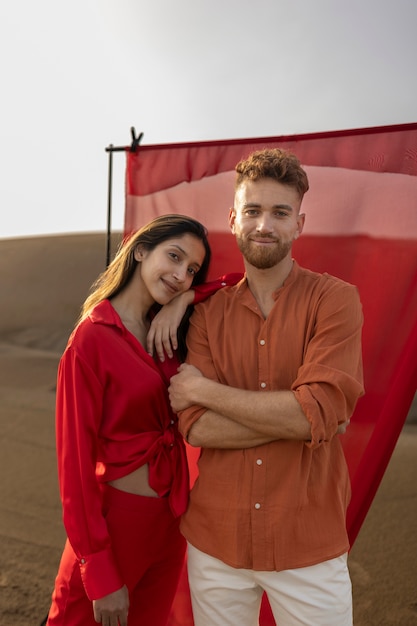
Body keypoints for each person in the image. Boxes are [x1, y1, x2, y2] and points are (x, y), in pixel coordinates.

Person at [168, 148, 365, 626]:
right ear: (234, 219)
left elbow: (315, 413)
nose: (265, 225)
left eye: (280, 213)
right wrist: (302, 418)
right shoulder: (207, 314)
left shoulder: (335, 300)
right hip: (215, 545)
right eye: (253, 211)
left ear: (299, 223)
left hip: (307, 545)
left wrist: (205, 391)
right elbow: (195, 428)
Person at [45, 215, 216, 626]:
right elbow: (75, 470)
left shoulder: (170, 331)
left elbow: (236, 283)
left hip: (172, 525)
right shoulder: (91, 340)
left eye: (191, 269)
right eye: (173, 257)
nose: (180, 275)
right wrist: (100, 573)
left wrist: (183, 301)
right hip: (114, 527)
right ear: (140, 250)